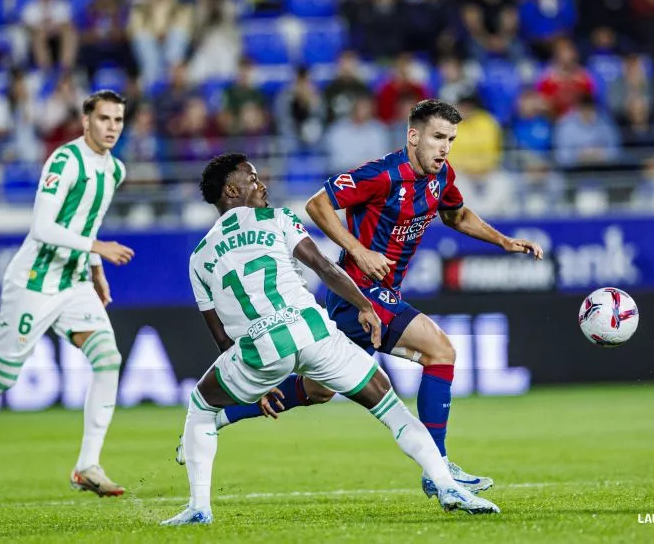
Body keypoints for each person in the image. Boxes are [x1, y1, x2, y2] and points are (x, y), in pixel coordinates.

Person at [195, 100, 544, 499]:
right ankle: (438, 466)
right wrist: (357, 250)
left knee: (317, 390)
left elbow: (457, 215)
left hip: (381, 295)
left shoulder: (441, 176)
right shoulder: (380, 174)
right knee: (440, 350)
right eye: (437, 137)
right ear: (413, 136)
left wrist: (503, 241)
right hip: (359, 293)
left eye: (450, 139)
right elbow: (317, 204)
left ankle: (221, 414)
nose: (445, 147)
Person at [162, 154, 501, 526]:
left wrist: (254, 383)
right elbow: (325, 268)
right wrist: (364, 306)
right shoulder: (277, 219)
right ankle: (445, 484)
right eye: (253, 179)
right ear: (231, 190)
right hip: (314, 332)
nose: (262, 185)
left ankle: (199, 508)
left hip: (259, 349)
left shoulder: (199, 258)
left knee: (200, 406)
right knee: (390, 407)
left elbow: (222, 339)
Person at [0, 90, 136, 504]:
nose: (112, 127)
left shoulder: (115, 170)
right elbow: (42, 226)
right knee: (3, 377)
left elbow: (86, 221)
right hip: (35, 282)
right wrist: (100, 250)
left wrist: (95, 271)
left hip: (73, 282)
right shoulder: (64, 161)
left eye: (118, 120)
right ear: (86, 121)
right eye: (105, 119)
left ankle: (87, 464)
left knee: (109, 358)